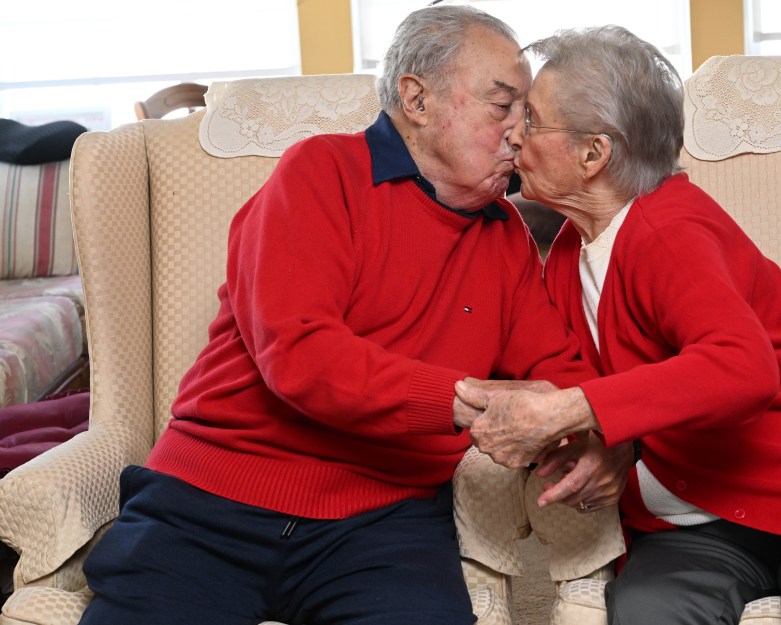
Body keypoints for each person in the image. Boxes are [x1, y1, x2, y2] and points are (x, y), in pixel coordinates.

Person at [77, 6, 601, 625]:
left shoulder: (507, 233)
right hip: (211, 500)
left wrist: (593, 434)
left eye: (527, 115)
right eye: (501, 106)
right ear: (416, 98)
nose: (520, 133)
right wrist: (474, 402)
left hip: (385, 520)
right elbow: (302, 357)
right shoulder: (319, 172)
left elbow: (559, 367)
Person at [455, 26, 781, 625]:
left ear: (594, 154)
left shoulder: (671, 230)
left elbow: (743, 367)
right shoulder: (569, 247)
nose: (513, 132)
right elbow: (609, 378)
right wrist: (605, 440)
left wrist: (571, 410)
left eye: (532, 120)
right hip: (692, 518)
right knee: (646, 613)